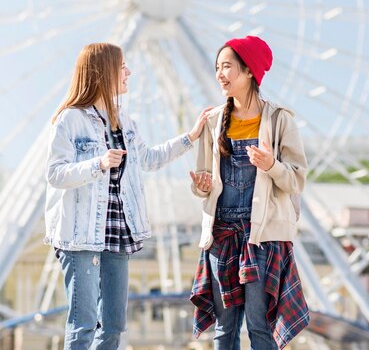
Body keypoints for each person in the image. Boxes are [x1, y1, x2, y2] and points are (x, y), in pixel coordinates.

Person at [44, 42, 210, 349]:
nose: (128, 72)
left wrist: (191, 137)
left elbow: (148, 159)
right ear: (103, 71)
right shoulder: (70, 120)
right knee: (82, 324)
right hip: (80, 237)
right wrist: (98, 163)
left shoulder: (124, 121)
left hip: (118, 233)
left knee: (114, 326)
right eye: (122, 67)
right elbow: (55, 174)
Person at [189, 35, 309, 349]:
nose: (219, 74)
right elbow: (203, 181)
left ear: (249, 71)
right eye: (217, 67)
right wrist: (200, 186)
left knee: (259, 327)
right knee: (224, 330)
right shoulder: (213, 121)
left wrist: (271, 165)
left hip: (263, 236)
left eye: (227, 66)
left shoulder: (280, 120)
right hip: (222, 235)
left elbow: (296, 180)